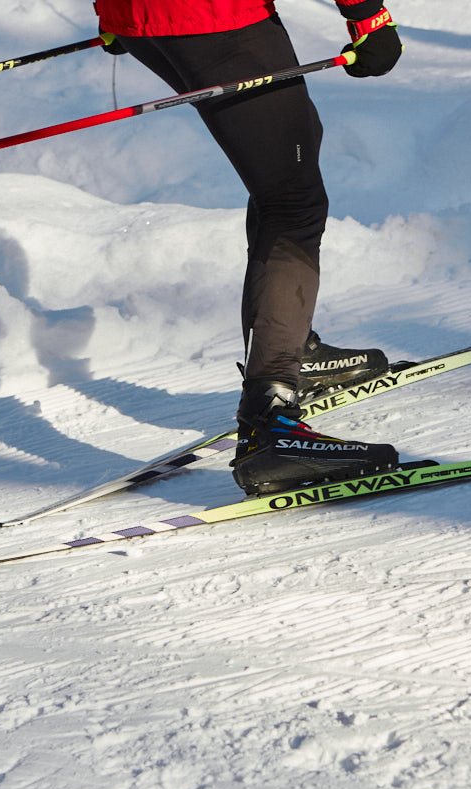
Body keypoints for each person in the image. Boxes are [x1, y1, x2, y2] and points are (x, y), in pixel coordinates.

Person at [93, 0, 404, 495]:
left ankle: (285, 341)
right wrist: (367, 15)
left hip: (143, 17)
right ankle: (271, 414)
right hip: (216, 17)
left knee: (288, 155)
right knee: (293, 202)